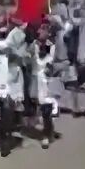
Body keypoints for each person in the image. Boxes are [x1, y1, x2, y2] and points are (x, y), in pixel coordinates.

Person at [0, 10, 28, 157]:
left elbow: (23, 55)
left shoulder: (17, 34)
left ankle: (6, 137)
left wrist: (14, 52)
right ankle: (4, 132)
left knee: (8, 105)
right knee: (2, 105)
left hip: (12, 75)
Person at [29, 19, 61, 149]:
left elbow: (54, 61)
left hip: (48, 80)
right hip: (36, 79)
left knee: (46, 108)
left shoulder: (53, 45)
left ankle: (46, 134)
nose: (39, 32)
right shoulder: (33, 45)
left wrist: (51, 66)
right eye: (39, 30)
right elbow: (33, 61)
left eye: (42, 30)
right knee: (39, 107)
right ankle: (47, 129)